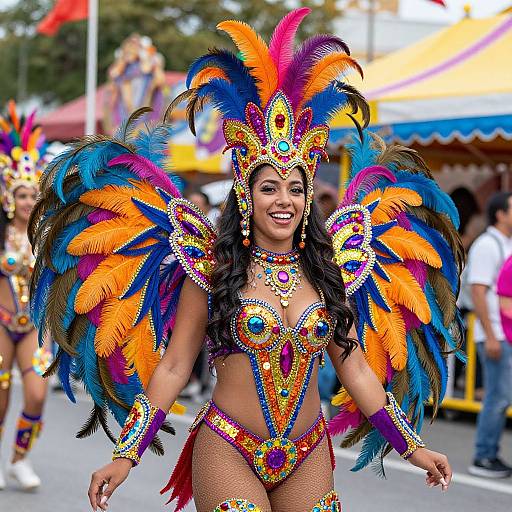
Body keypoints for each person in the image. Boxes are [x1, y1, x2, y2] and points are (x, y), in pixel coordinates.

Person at [30, 9, 463, 512]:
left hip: (308, 452)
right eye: (270, 187)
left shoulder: (331, 269)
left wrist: (414, 446)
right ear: (246, 194)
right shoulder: (211, 267)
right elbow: (174, 366)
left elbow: (358, 371)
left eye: (296, 188)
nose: (285, 200)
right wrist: (125, 456)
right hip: (228, 448)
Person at [0, 101, 52, 490]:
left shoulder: (47, 237)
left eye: (32, 196)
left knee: (35, 395)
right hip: (1, 324)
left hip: (33, 325)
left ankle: (20, 460)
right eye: (21, 196)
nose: (27, 203)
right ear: (8, 199)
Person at [467, 192, 512, 478]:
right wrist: (492, 335)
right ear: (500, 214)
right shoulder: (487, 244)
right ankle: (483, 456)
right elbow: (478, 290)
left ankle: (489, 453)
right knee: (497, 397)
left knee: (501, 396)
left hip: (503, 332)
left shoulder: (505, 243)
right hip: (495, 333)